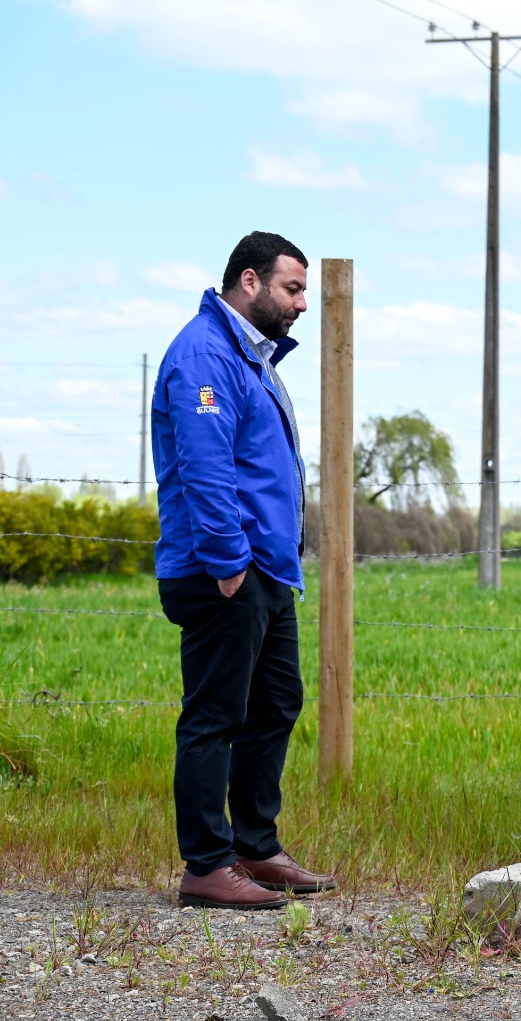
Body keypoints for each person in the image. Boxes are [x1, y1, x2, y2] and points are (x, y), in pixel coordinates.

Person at [152, 231, 336, 910]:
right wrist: (229, 563)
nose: (302, 304)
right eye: (293, 288)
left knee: (276, 702)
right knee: (215, 715)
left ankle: (255, 846)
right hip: (223, 569)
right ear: (250, 281)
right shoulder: (205, 353)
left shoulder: (248, 356)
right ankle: (206, 864)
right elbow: (204, 467)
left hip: (265, 570)